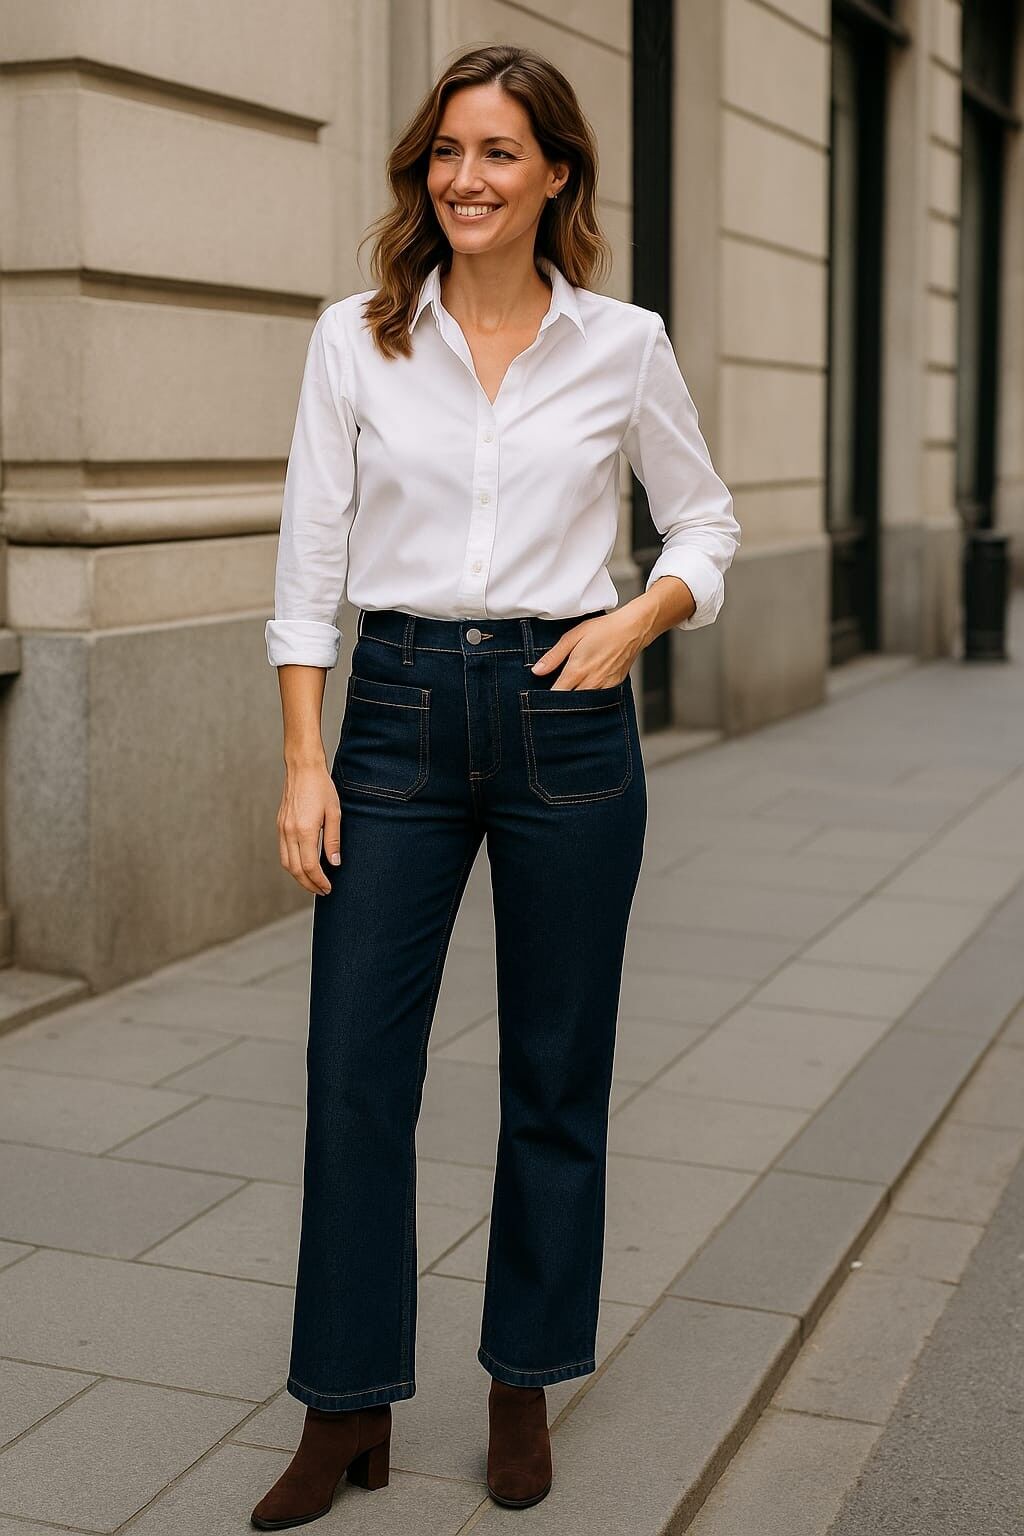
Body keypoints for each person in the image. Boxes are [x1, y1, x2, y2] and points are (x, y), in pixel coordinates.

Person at [251, 41, 740, 1532]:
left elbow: (704, 524)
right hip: (392, 714)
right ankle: (347, 1409)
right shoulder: (358, 338)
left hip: (564, 719)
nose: (466, 177)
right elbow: (308, 562)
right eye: (447, 151)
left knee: (555, 1073)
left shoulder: (624, 343)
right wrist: (303, 758)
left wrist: (638, 616)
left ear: (556, 178)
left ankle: (520, 1382)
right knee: (354, 1075)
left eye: (499, 154)